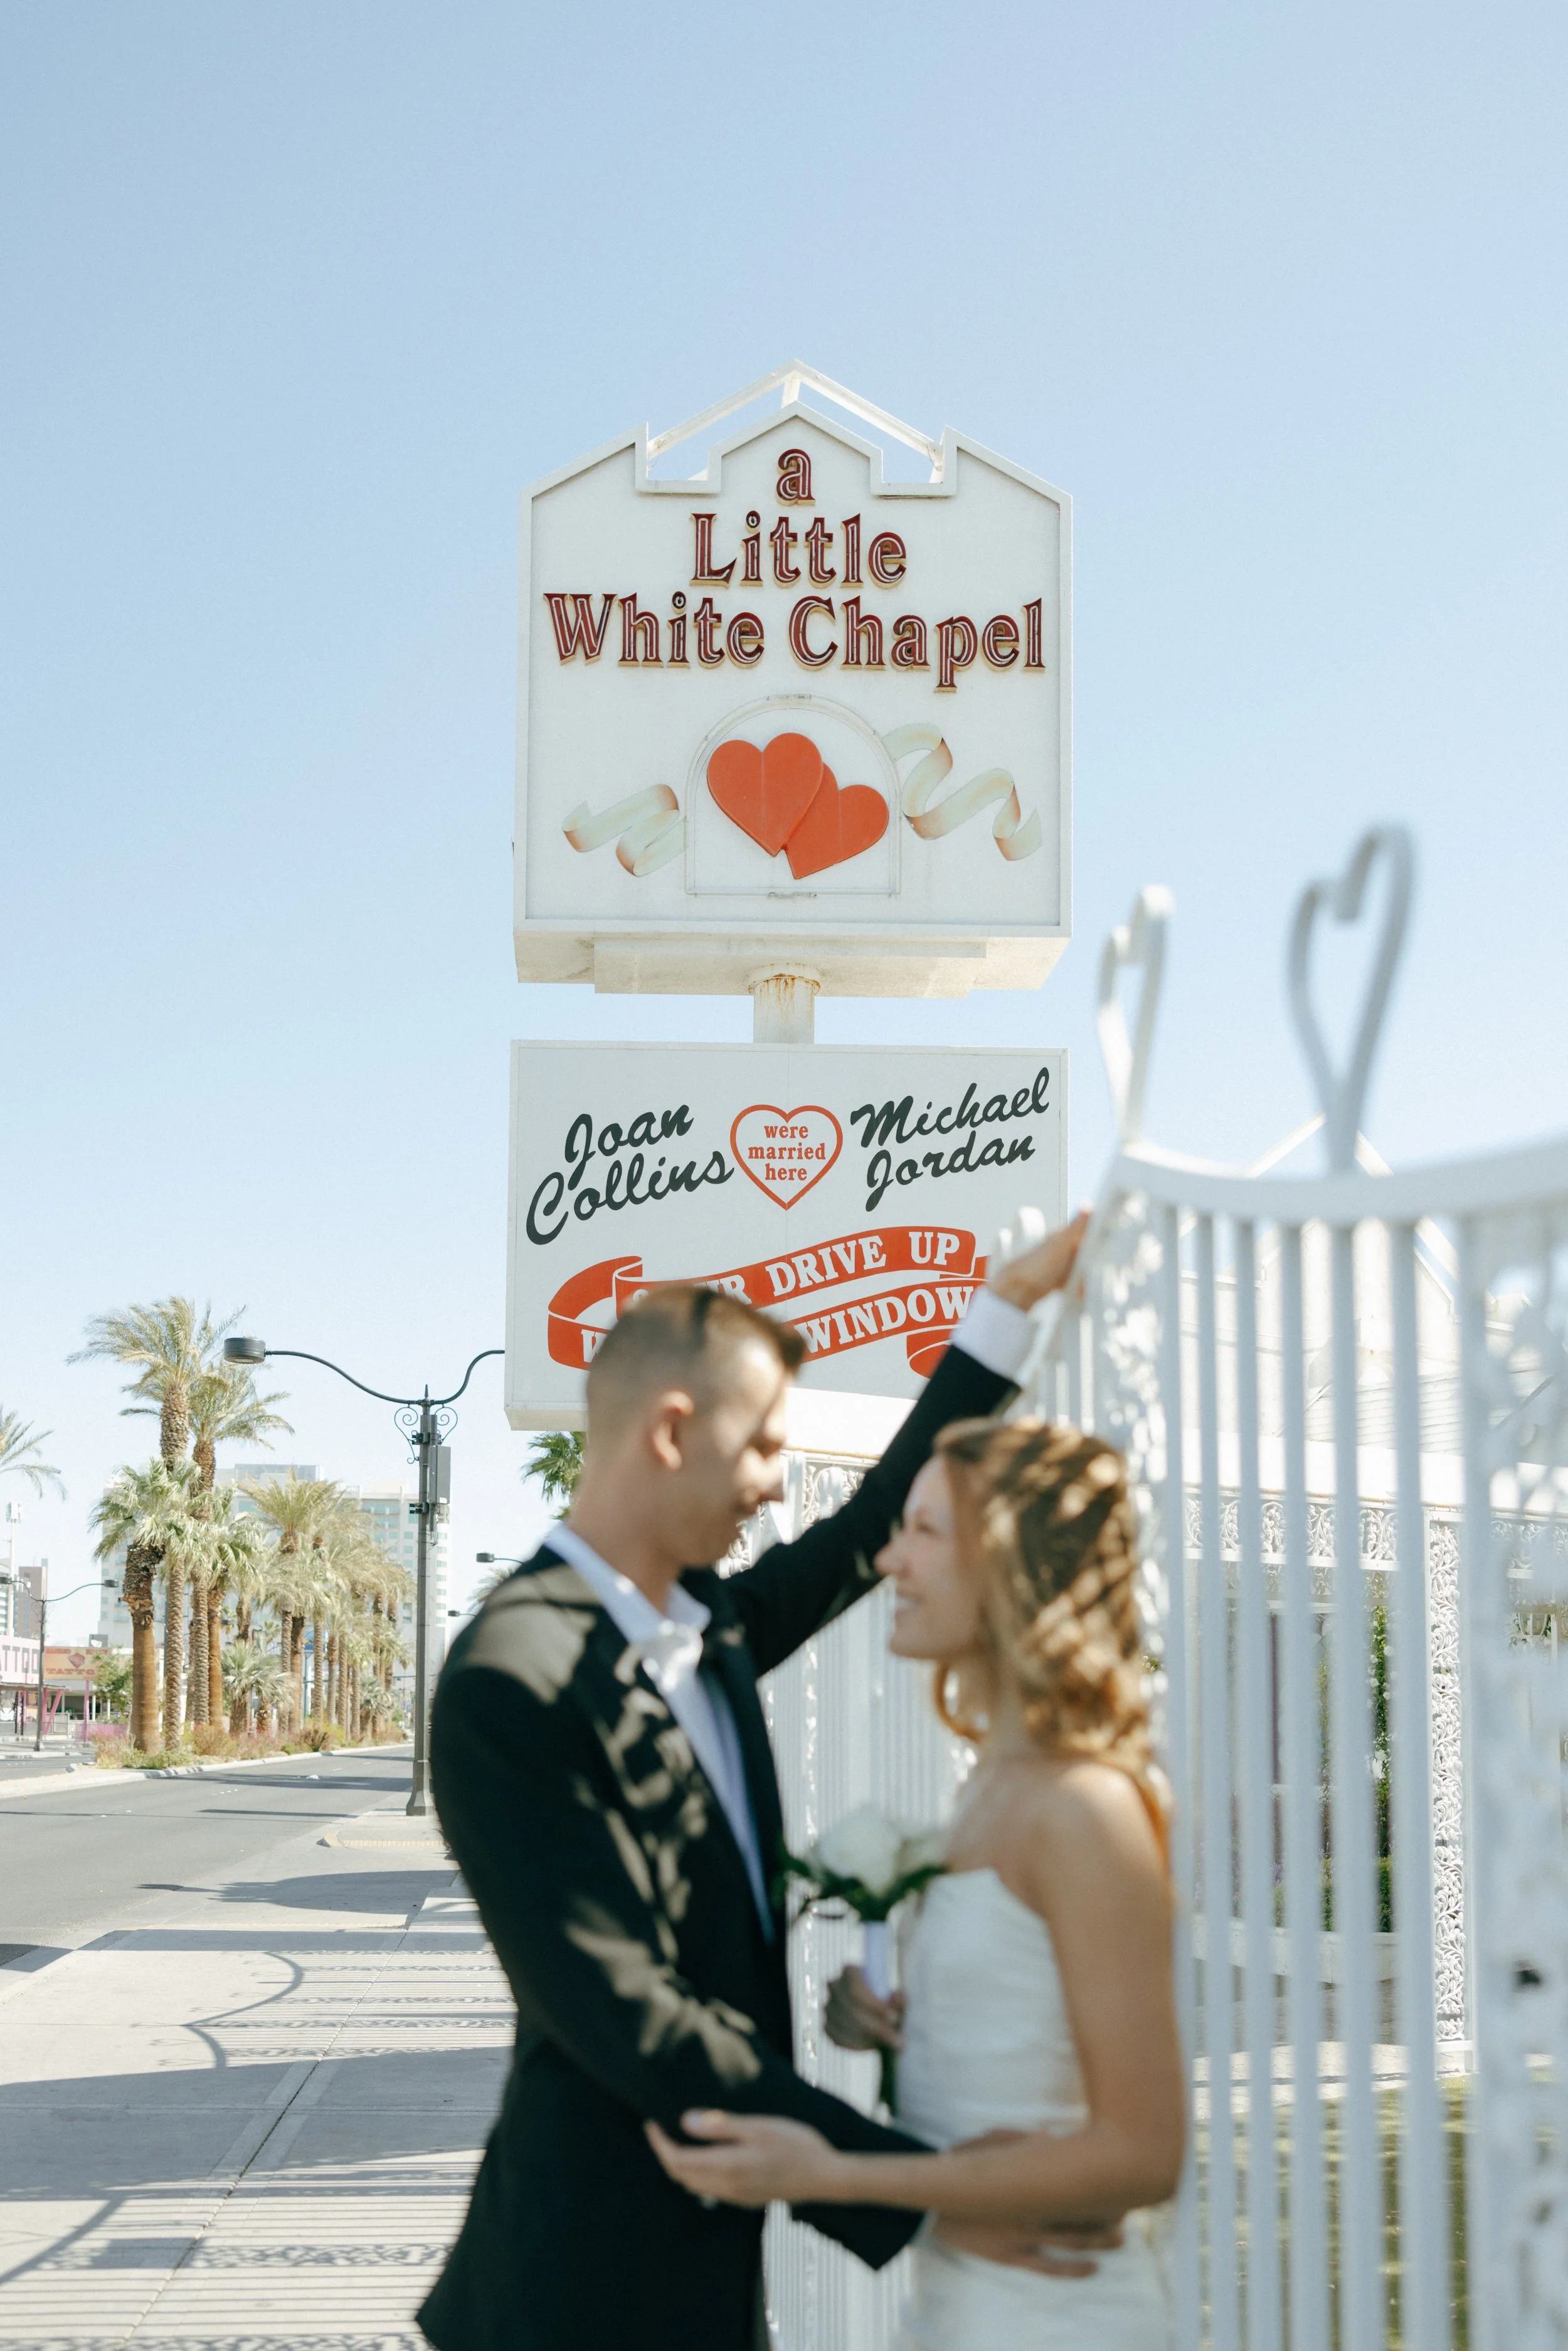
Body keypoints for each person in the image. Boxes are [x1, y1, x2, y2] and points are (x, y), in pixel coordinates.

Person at [418, 1216, 1091, 2351]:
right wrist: (919, 2190)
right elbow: (632, 2014)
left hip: (708, 2277)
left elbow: (872, 1521)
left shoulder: (712, 1625)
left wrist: (1006, 1305)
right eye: (765, 1447)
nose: (777, 1489)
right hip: (573, 2296)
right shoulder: (510, 1680)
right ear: (675, 1432)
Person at [647, 1414, 1184, 2351]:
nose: (890, 1560)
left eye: (925, 1531)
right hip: (963, 2300)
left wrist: (837, 2173)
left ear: (1010, 1564)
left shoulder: (1085, 1807)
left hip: (1058, 2314)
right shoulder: (989, 1785)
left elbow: (1143, 2153)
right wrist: (892, 2017)